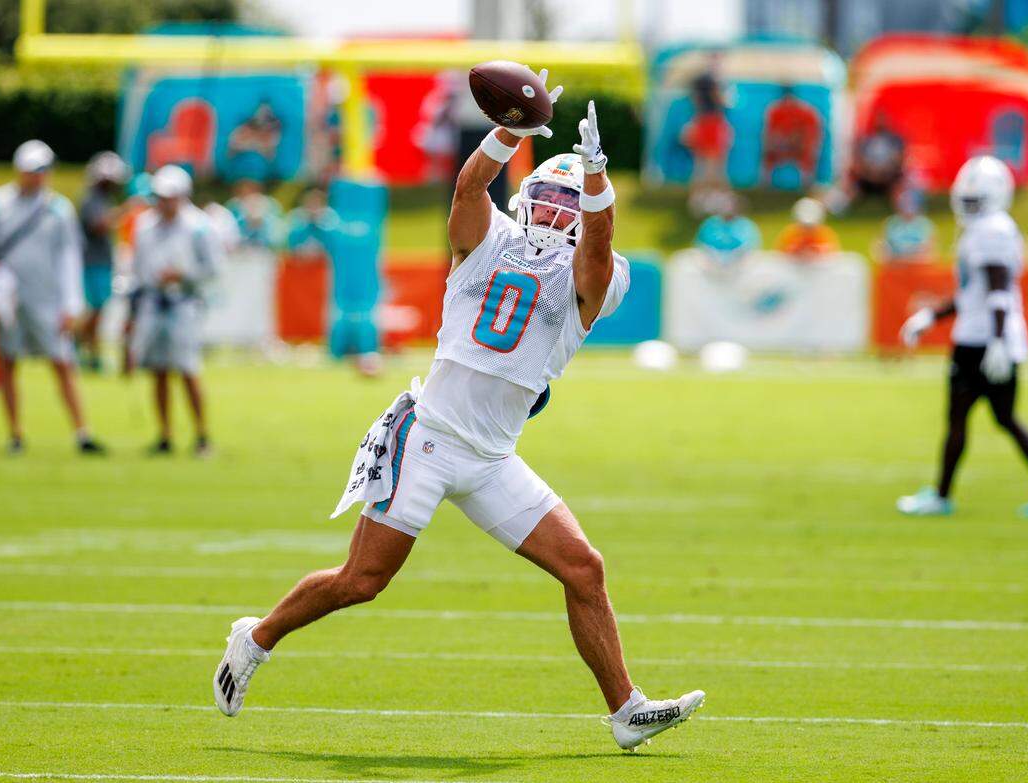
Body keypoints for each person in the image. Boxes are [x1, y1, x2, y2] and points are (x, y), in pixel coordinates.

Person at [212, 79, 705, 752]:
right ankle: (257, 636)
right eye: (550, 196)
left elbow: (594, 252)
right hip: (431, 435)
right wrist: (511, 129)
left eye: (570, 202)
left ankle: (625, 709)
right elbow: (470, 190)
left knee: (583, 567)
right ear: (529, 199)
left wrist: (597, 183)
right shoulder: (488, 242)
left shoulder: (596, 273)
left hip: (492, 456)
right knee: (362, 580)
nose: (557, 210)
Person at [897, 156, 1028, 518]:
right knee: (1004, 418)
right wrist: (931, 316)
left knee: (961, 418)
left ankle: (942, 496)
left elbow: (998, 290)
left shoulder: (991, 231)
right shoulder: (989, 228)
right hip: (990, 337)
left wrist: (996, 341)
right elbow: (974, 293)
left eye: (977, 199)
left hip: (982, 341)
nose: (970, 205)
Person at [0, 140, 106, 455]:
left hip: (47, 300)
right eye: (32, 171)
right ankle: (15, 433)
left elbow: (69, 258)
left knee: (62, 363)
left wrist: (71, 303)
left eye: (43, 171)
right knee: (8, 363)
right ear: (20, 171)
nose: (38, 177)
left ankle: (82, 432)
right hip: (8, 299)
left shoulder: (59, 209)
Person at [129, 165, 221, 457]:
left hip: (185, 304)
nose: (163, 202)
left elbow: (214, 269)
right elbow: (138, 267)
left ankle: (201, 434)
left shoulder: (199, 226)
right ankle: (165, 434)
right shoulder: (144, 225)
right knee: (157, 370)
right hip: (153, 302)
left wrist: (182, 275)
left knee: (188, 369)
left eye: (169, 197)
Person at [286, 187, 381, 375]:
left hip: (336, 278)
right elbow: (292, 244)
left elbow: (336, 242)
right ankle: (337, 348)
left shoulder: (331, 222)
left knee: (343, 312)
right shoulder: (300, 221)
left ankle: (348, 348)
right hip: (316, 279)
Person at [77, 151, 130, 371]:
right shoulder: (91, 199)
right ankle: (77, 343)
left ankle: (91, 353)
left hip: (101, 262)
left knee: (99, 310)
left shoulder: (103, 199)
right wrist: (125, 211)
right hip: (92, 262)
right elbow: (99, 224)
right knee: (95, 309)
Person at [680, 71, 732, 213]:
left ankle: (697, 201)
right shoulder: (712, 80)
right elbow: (721, 100)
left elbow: (695, 101)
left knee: (701, 165)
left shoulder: (697, 80)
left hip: (701, 122)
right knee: (715, 166)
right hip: (712, 124)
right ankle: (716, 201)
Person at [694, 190, 761, 264]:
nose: (728, 208)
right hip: (711, 264)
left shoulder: (745, 225)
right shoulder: (710, 223)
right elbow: (700, 243)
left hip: (739, 264)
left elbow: (751, 245)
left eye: (731, 205)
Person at [876, 190, 935, 264]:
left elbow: (928, 246)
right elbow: (883, 243)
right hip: (895, 261)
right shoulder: (892, 223)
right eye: (905, 203)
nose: (907, 206)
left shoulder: (924, 224)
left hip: (917, 261)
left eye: (911, 203)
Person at [226, 179, 284, 248]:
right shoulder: (233, 206)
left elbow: (277, 228)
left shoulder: (270, 204)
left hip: (265, 247)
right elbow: (229, 227)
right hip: (241, 247)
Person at [775, 197, 840, 259]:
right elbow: (780, 256)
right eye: (804, 226)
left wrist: (817, 251)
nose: (807, 230)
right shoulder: (790, 234)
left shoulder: (825, 234)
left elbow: (832, 255)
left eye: (810, 227)